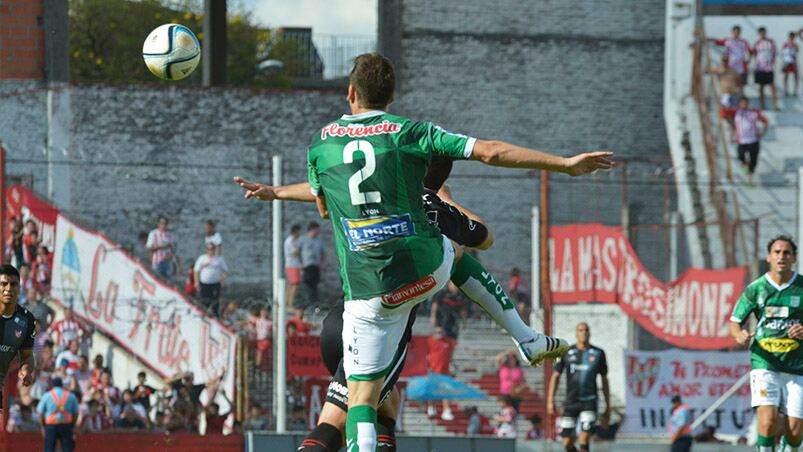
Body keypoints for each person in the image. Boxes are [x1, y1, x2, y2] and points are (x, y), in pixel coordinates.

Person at [236, 52, 612, 450]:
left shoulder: (321, 143)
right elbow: (491, 152)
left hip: (364, 294)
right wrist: (565, 163)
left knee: (362, 399)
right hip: (424, 271)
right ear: (392, 96)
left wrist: (278, 192)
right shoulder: (411, 133)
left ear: (349, 93)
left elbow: (324, 206)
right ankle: (525, 336)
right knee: (456, 249)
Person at [730, 235, 803, 452]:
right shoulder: (756, 289)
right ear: (768, 257)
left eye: (786, 252)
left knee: (795, 430)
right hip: (765, 363)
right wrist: (739, 334)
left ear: (794, 258)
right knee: (767, 421)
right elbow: (735, 322)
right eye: (777, 252)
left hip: (797, 366)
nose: (782, 256)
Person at [548, 322, 611, 452]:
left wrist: (608, 405)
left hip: (589, 401)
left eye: (586, 330)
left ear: (590, 333)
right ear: (576, 334)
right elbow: (555, 377)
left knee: (584, 437)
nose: (584, 333)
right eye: (581, 330)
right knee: (567, 443)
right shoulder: (566, 352)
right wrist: (550, 401)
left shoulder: (599, 353)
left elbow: (604, 380)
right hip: (571, 402)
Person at [0, 264, 37, 411]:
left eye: (13, 284)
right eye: (3, 284)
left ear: (19, 288)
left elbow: (27, 356)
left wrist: (26, 370)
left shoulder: (27, 320)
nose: (8, 289)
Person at [37, 377, 79, 452]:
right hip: (66, 425)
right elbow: (76, 412)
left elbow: (40, 412)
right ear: (61, 385)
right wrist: (72, 424)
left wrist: (42, 426)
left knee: (49, 449)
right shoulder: (70, 396)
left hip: (51, 425)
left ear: (52, 385)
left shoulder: (47, 395)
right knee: (67, 449)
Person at [734, 96, 769, 185]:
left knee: (753, 160)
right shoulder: (736, 112)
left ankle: (750, 177)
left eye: (745, 103)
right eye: (742, 103)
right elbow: (723, 112)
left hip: (753, 140)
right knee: (741, 156)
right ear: (740, 104)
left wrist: (762, 132)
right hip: (742, 140)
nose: (744, 105)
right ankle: (746, 167)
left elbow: (765, 121)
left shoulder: (753, 112)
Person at [425, 326, 457, 421]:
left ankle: (446, 410)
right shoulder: (429, 341)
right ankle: (431, 408)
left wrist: (451, 364)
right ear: (434, 332)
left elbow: (451, 354)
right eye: (437, 332)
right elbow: (425, 355)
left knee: (445, 391)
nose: (440, 334)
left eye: (441, 332)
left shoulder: (448, 341)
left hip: (445, 371)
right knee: (432, 391)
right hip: (432, 370)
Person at [706, 53, 744, 133]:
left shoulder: (733, 70)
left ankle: (735, 129)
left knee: (734, 112)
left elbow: (739, 81)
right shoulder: (719, 69)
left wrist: (739, 90)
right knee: (723, 112)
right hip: (725, 94)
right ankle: (733, 126)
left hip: (733, 93)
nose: (725, 62)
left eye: (726, 60)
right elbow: (708, 71)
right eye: (724, 60)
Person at [193, 242, 230, 315]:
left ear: (214, 249)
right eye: (209, 249)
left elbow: (226, 272)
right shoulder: (202, 258)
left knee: (215, 301)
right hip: (204, 284)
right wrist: (196, 282)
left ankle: (215, 316)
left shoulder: (219, 259)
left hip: (215, 283)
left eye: (212, 249)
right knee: (204, 301)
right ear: (206, 250)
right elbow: (196, 271)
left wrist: (222, 279)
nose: (211, 251)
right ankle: (203, 315)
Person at [298, 222, 324, 309]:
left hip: (315, 266)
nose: (318, 232)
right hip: (306, 266)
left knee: (314, 285)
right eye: (316, 230)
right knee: (307, 285)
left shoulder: (319, 241)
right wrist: (300, 263)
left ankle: (314, 304)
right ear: (311, 230)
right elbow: (296, 252)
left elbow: (322, 253)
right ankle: (307, 303)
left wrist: (321, 264)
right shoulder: (303, 240)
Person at [753, 26, 779, 110]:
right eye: (761, 33)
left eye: (764, 32)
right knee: (761, 87)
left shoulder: (771, 42)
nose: (762, 34)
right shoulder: (757, 43)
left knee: (772, 87)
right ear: (759, 33)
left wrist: (773, 62)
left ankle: (775, 105)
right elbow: (754, 54)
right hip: (760, 68)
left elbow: (775, 53)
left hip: (769, 68)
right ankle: (762, 105)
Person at [284, 224, 303, 312]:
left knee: (292, 285)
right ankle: (289, 305)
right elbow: (295, 252)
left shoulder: (294, 241)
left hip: (294, 265)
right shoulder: (290, 241)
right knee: (294, 285)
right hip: (292, 265)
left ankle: (288, 303)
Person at [783, 32, 799, 96]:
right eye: (790, 37)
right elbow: (783, 53)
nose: (791, 38)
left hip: (793, 62)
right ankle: (786, 90)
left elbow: (797, 50)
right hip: (787, 62)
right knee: (786, 76)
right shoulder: (785, 44)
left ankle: (795, 90)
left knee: (795, 76)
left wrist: (793, 45)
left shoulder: (795, 44)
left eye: (792, 37)